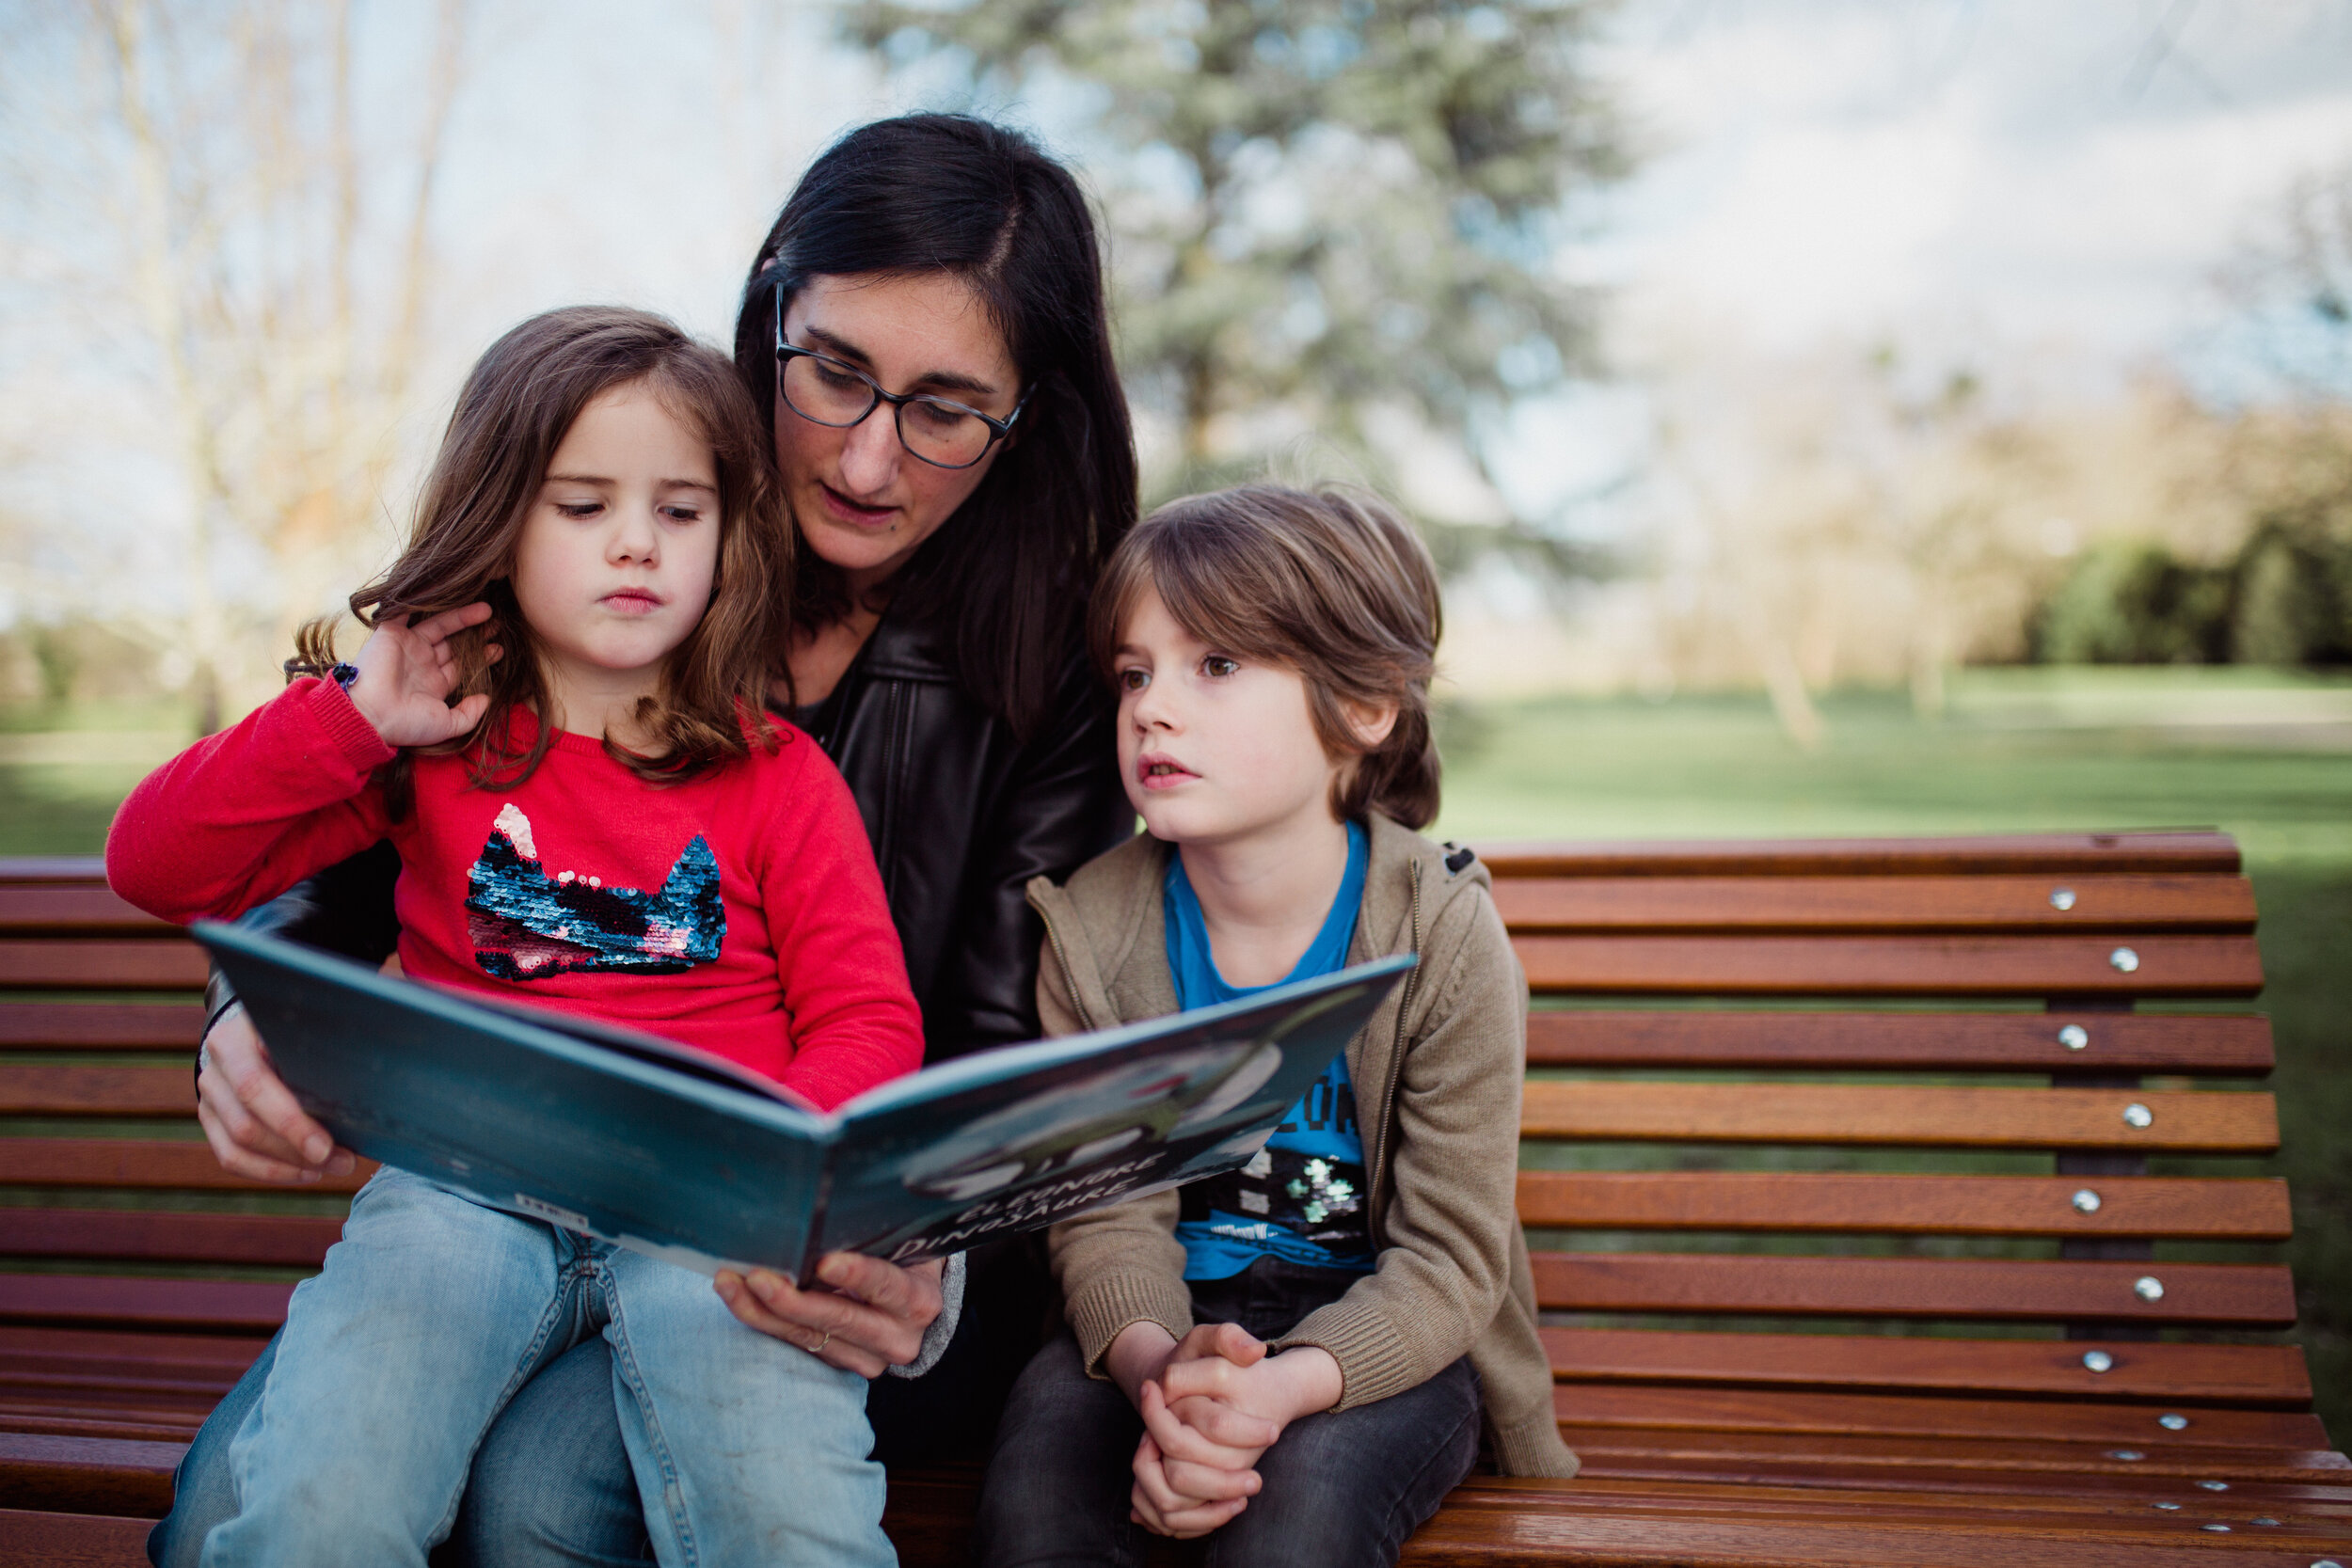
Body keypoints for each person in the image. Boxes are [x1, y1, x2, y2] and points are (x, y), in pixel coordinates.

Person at [148, 115, 1138, 1566]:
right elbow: (349, 851)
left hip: (764, 1241)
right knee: (233, 1511)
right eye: (836, 371)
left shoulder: (1055, 669)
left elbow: (980, 1042)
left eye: (944, 408)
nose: (869, 455)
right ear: (771, 314)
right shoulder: (590, 563)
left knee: (537, 1506)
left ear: (1025, 417)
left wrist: (902, 1241)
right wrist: (246, 1006)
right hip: (482, 1202)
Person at [108, 307, 928, 1566]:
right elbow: (157, 865)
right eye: (583, 504)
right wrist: (356, 715)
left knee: (787, 1516)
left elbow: (868, 1018)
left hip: (706, 1212)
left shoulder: (781, 778)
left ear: (729, 536)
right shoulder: (431, 746)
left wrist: (773, 1171)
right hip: (463, 1189)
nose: (637, 544)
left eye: (680, 509)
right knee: (327, 1496)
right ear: (500, 517)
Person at [975, 483, 1580, 1568]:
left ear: (1364, 706)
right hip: (1155, 1321)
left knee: (1290, 1525)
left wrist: (1275, 1391)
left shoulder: (1438, 931)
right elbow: (1107, 1216)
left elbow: (1447, 1261)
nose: (1153, 706)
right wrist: (1161, 1373)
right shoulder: (1094, 932)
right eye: (1133, 671)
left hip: (1376, 1340)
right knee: (1036, 1504)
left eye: (1215, 664)